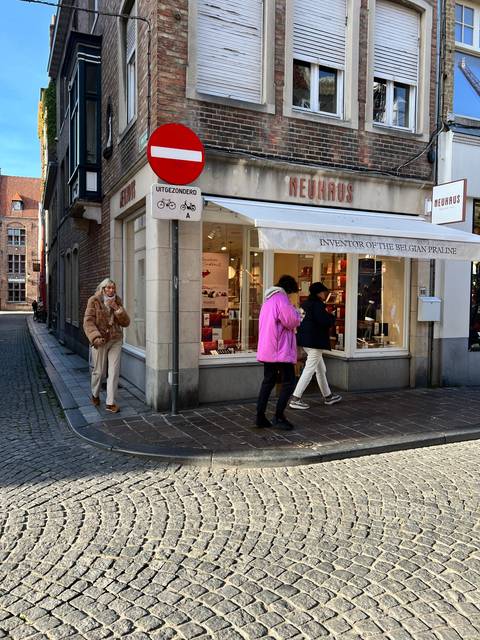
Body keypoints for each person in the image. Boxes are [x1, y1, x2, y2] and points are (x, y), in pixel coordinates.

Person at [255, 275, 302, 430]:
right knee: (289, 381)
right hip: (279, 349)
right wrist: (297, 312)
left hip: (269, 348)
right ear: (289, 289)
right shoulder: (281, 298)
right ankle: (278, 416)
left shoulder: (268, 300)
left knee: (268, 381)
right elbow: (291, 321)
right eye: (292, 293)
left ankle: (260, 417)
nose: (291, 296)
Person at [289, 281, 342, 410]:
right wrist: (331, 317)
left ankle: (328, 396)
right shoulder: (318, 305)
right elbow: (324, 321)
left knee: (320, 369)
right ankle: (295, 398)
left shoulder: (305, 304)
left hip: (306, 340)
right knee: (310, 369)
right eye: (324, 292)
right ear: (319, 293)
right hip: (315, 341)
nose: (325, 294)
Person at [83, 278, 130, 413]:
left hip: (115, 339)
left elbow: (126, 323)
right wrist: (95, 337)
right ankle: (95, 394)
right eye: (108, 288)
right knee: (99, 371)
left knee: (114, 371)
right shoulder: (94, 300)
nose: (111, 290)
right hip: (101, 340)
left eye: (113, 288)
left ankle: (110, 403)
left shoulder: (117, 301)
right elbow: (88, 322)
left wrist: (118, 310)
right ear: (102, 289)